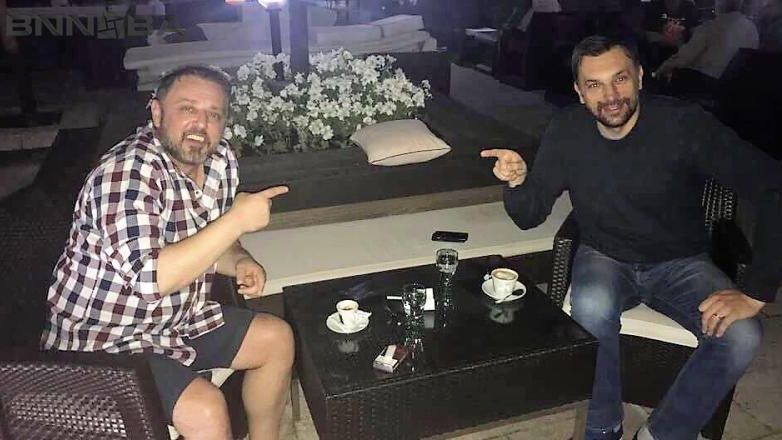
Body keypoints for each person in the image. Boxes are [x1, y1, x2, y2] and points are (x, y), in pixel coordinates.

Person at [481, 35, 782, 440]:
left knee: (743, 335)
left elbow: (773, 187)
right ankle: (601, 430)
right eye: (594, 84)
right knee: (591, 304)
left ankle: (661, 434)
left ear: (640, 76)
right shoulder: (567, 130)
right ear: (579, 92)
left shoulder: (683, 124)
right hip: (604, 256)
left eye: (619, 79)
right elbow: (528, 216)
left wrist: (756, 292)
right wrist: (518, 183)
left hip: (681, 262)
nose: (610, 96)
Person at [41, 65, 293, 440]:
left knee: (276, 339)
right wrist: (237, 221)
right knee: (205, 409)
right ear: (157, 112)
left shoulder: (220, 160)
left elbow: (210, 242)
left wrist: (239, 259)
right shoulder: (126, 174)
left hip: (175, 323)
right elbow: (151, 278)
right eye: (187, 109)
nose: (200, 124)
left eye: (214, 114)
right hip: (102, 343)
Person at [655, 0, 758, 81]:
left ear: (719, 3)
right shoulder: (752, 29)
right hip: (736, 88)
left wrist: (658, 72)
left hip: (705, 87)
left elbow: (682, 60)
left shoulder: (709, 28)